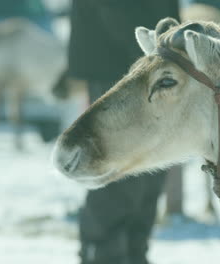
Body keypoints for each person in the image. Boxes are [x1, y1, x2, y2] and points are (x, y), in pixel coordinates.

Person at [67, 1, 180, 263]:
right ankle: (103, 252)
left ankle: (133, 250)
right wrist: (145, 54)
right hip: (116, 65)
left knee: (150, 168)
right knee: (118, 168)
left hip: (150, 65)